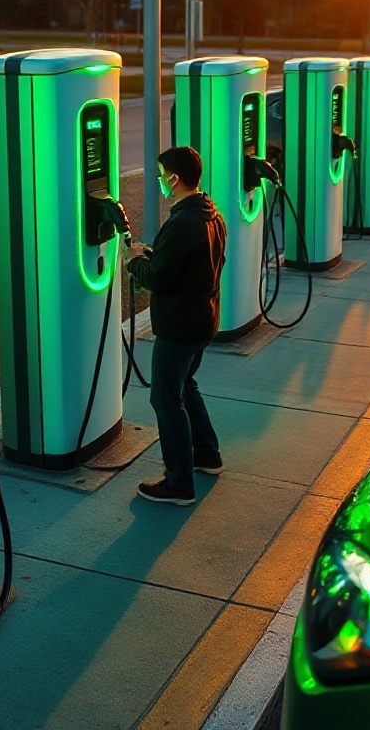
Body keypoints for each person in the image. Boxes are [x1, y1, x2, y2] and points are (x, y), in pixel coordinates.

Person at [123, 146, 227, 506]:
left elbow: (158, 279)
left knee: (166, 399)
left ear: (174, 178)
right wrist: (154, 253)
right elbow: (192, 263)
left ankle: (179, 482)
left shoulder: (182, 222)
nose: (158, 180)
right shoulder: (210, 213)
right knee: (186, 384)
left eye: (160, 173)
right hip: (203, 319)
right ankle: (207, 455)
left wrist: (133, 261)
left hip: (179, 326)